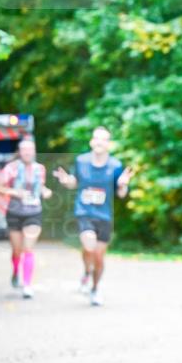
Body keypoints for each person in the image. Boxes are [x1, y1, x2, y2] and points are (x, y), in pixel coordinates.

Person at [53, 126, 133, 306]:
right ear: (91, 142)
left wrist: (123, 185)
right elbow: (74, 182)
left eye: (103, 139)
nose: (99, 142)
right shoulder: (81, 161)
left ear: (108, 144)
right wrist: (67, 181)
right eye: (96, 138)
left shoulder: (115, 165)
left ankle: (95, 288)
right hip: (85, 212)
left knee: (99, 256)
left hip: (104, 216)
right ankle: (87, 271)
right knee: (88, 244)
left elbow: (121, 194)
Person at [0, 137, 52, 299]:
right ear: (20, 152)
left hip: (33, 213)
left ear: (34, 152)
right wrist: (14, 193)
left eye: (30, 150)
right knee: (17, 250)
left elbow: (40, 186)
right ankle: (16, 271)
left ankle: (27, 285)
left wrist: (46, 191)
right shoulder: (11, 168)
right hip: (15, 214)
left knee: (28, 249)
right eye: (24, 150)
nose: (27, 153)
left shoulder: (40, 169)